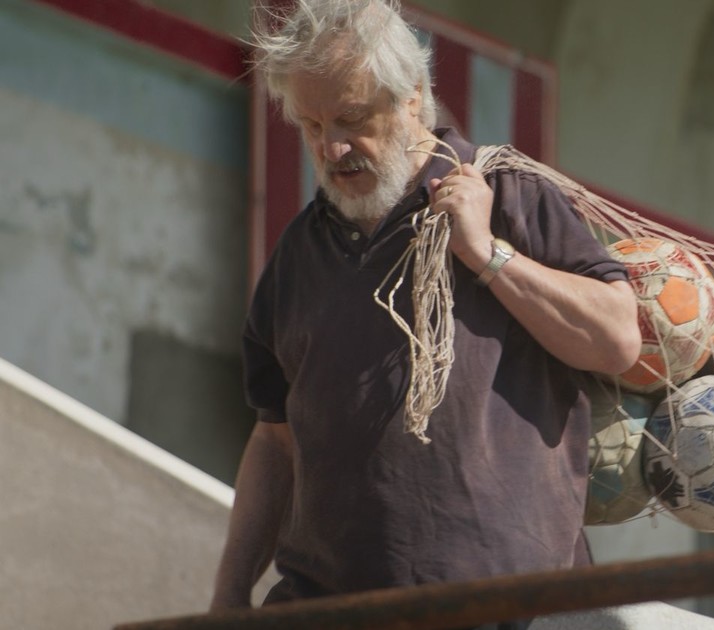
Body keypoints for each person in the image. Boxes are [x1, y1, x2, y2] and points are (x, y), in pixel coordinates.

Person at [209, 0, 641, 619]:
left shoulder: (508, 192)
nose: (332, 147)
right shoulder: (298, 254)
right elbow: (275, 440)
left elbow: (617, 339)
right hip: (325, 610)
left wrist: (486, 254)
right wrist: (228, 596)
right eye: (311, 125)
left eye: (351, 118)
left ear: (412, 96)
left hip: (505, 607)